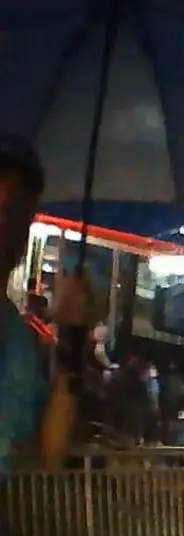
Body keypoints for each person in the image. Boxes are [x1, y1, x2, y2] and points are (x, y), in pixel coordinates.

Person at [0, 134, 81, 473]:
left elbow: (45, 453)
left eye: (21, 210)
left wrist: (75, 332)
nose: (10, 225)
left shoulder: (16, 334)